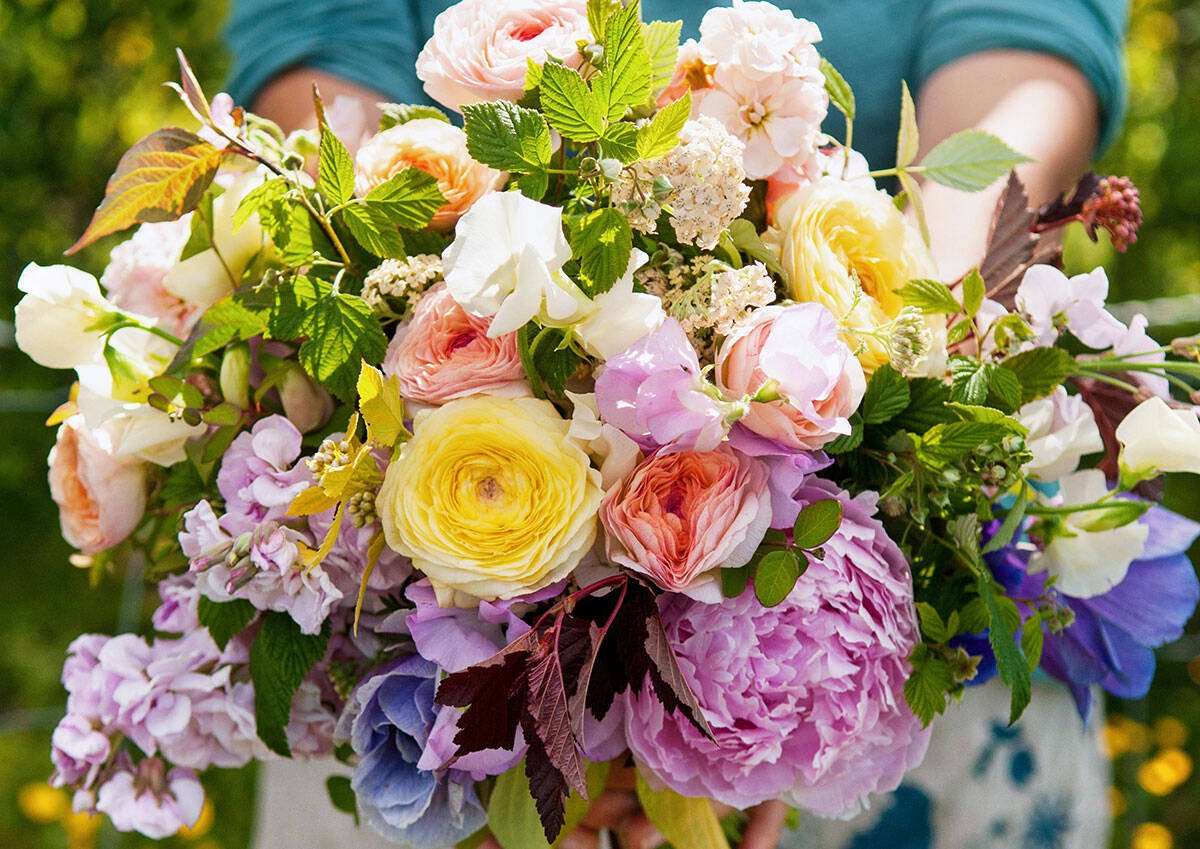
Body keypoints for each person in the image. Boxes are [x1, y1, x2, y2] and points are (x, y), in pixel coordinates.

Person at [225, 2, 1129, 848]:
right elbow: (322, 59)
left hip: (899, 639)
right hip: (428, 639)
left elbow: (1025, 47)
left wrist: (899, 354)